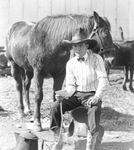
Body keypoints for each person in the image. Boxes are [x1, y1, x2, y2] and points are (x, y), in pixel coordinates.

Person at [50, 28, 109, 150]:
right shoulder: (70, 63)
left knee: (94, 109)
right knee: (55, 106)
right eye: (75, 46)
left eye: (80, 45)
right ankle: (58, 135)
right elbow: (71, 86)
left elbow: (103, 79)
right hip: (76, 95)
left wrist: (97, 97)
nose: (77, 49)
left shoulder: (96, 59)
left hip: (92, 94)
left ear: (87, 45)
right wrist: (63, 95)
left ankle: (91, 141)